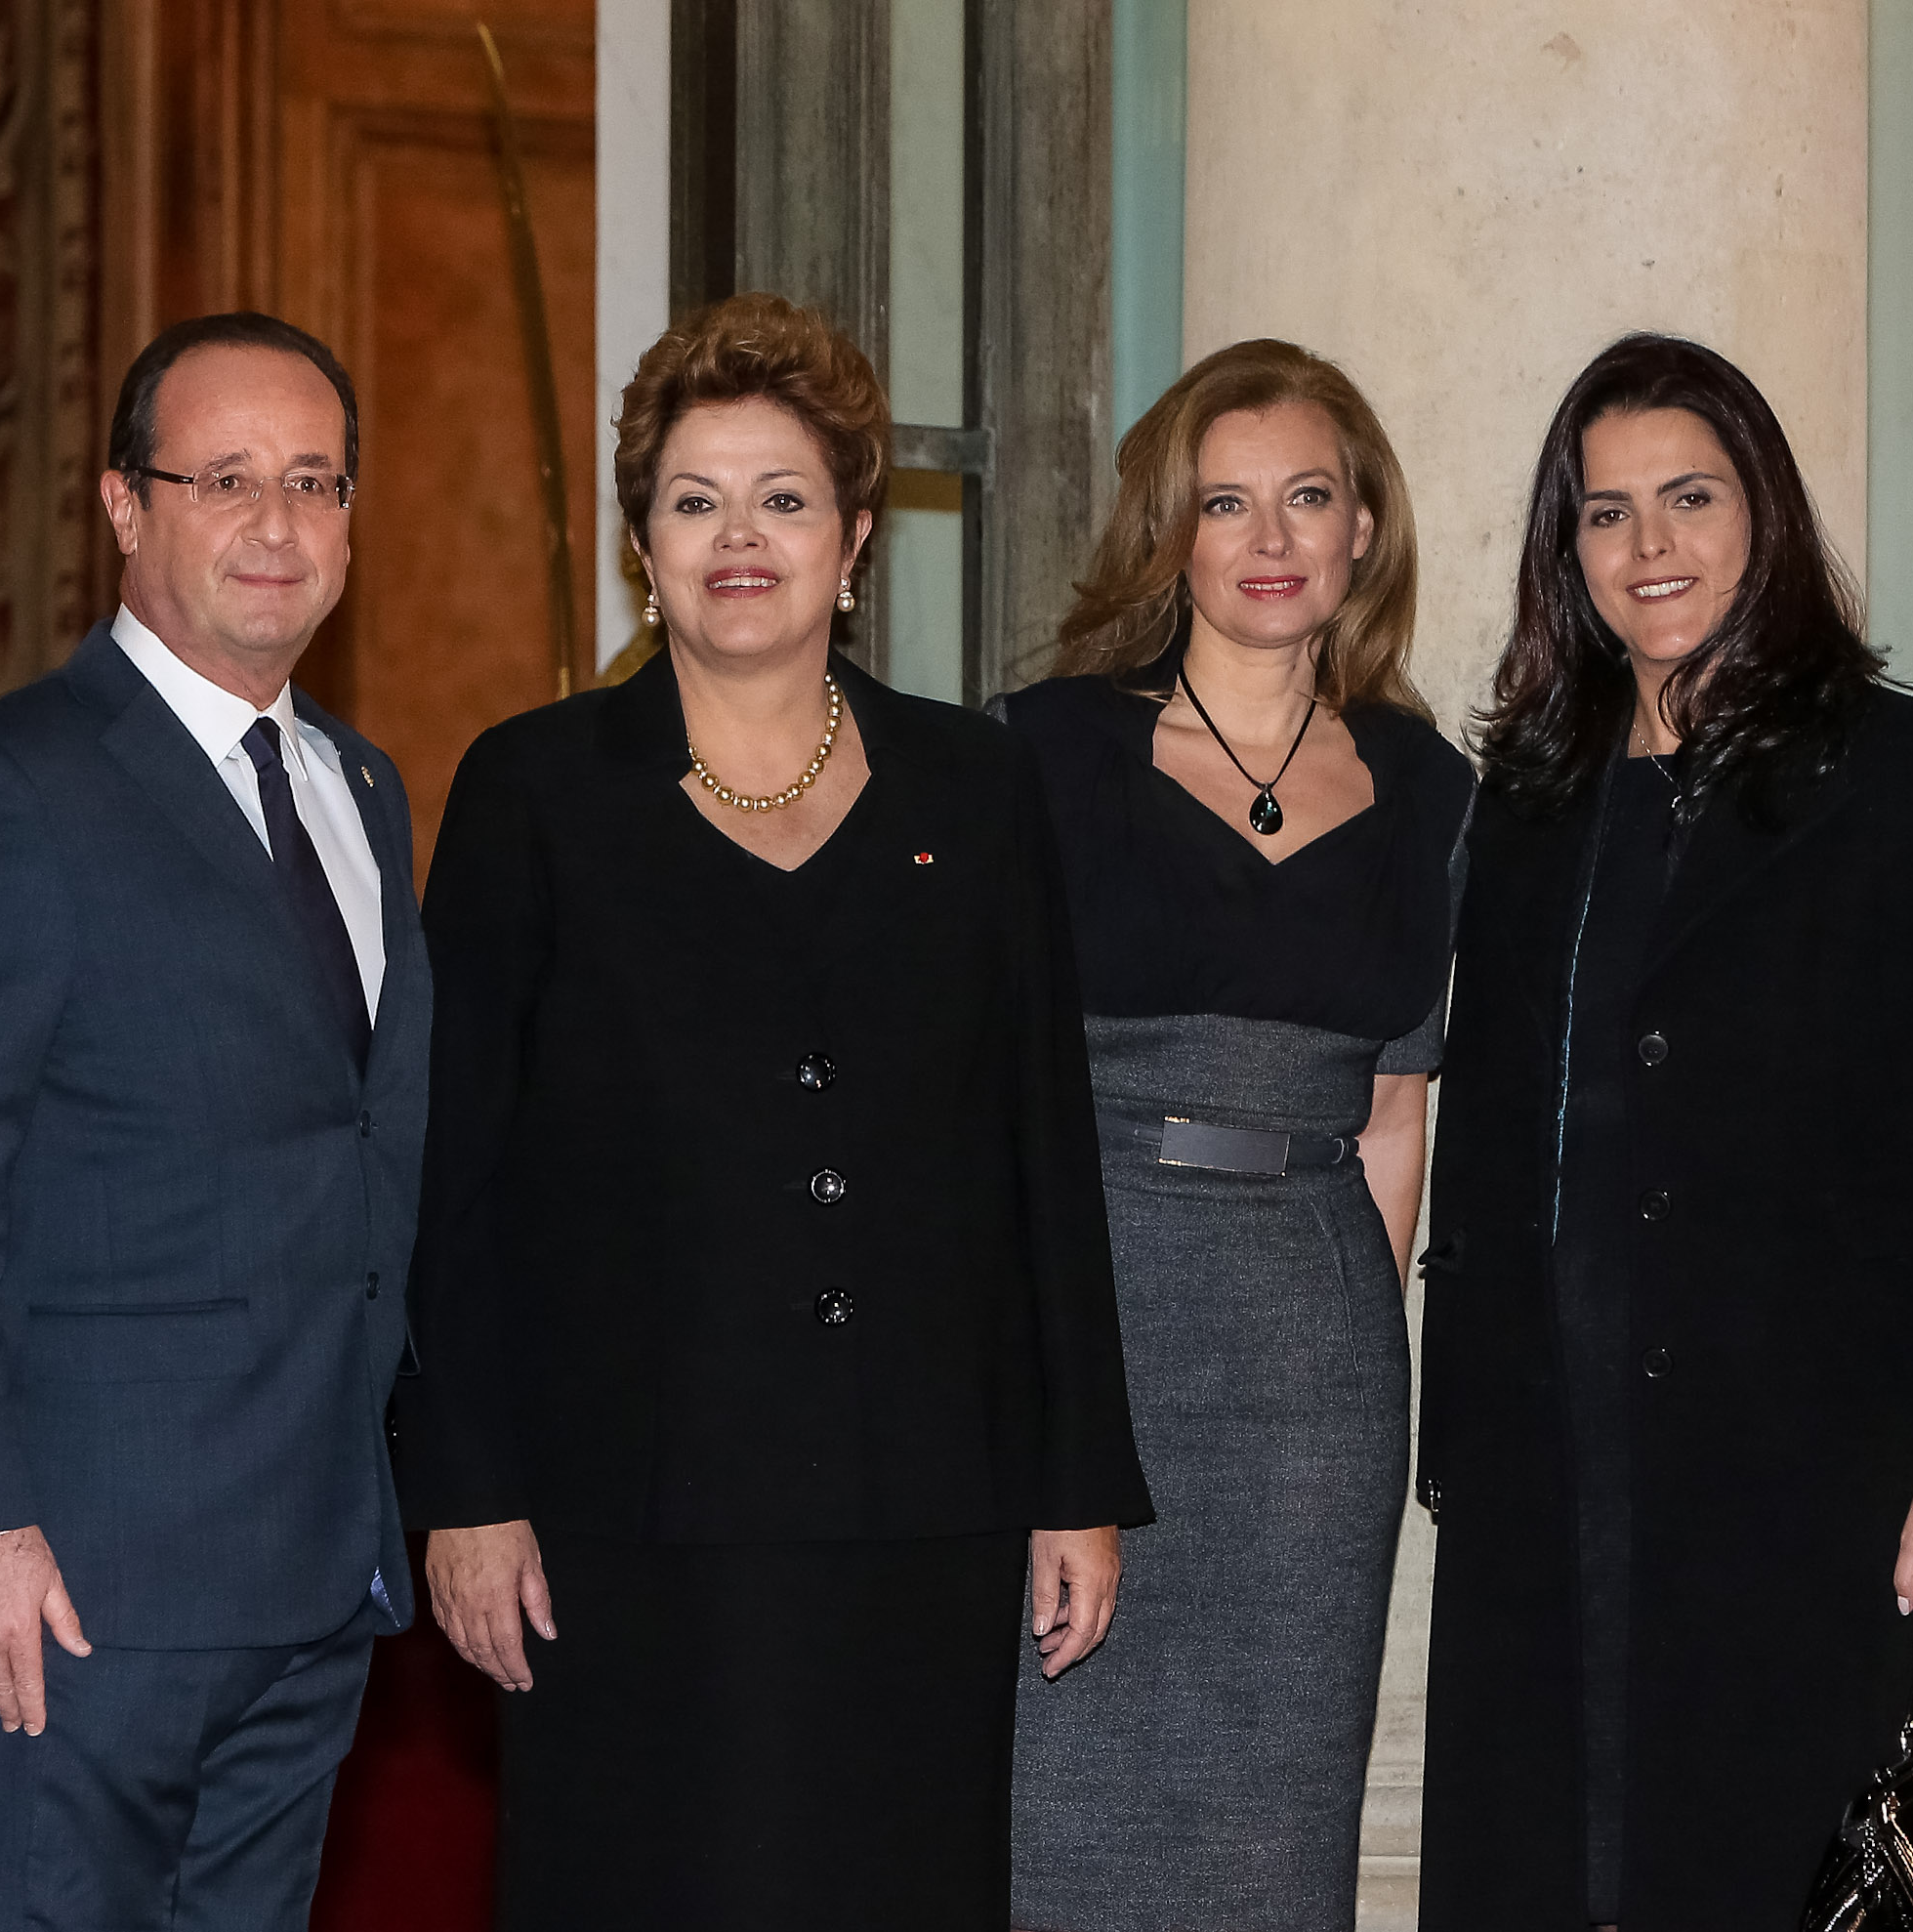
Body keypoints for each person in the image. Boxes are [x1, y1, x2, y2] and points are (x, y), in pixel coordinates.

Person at [399, 290, 1151, 1931]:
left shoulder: (978, 785)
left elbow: (1039, 1142)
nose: (740, 537)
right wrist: (463, 1489)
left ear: (854, 537)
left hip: (922, 1507)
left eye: (783, 498)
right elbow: (448, 1179)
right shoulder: (532, 790)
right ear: (641, 546)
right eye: (694, 500)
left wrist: (1074, 1475)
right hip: (623, 1515)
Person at [1414, 333, 1913, 1929]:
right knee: (1552, 1861)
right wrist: (1464, 1435)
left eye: (1688, 498)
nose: (1653, 549)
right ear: (1566, 551)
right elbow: (1490, 1131)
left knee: (1774, 1865)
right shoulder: (1528, 795)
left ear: (1760, 509)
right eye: (1607, 514)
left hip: (1808, 1459)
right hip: (1550, 1452)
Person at [0, 311, 427, 1928]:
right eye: (223, 477)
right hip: (81, 1579)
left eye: (315, 481)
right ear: (123, 505)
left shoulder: (362, 789)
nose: (276, 525)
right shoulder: (6, 786)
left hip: (315, 1561)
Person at [992, 338, 1465, 1932]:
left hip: (1311, 1376)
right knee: (1051, 1797)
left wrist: (1343, 1341)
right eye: (1225, 503)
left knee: (1276, 1827)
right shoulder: (1042, 752)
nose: (1269, 540)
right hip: (1089, 1320)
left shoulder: (1426, 783)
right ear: (1168, 535)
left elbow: (1395, 1111)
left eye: (1306, 499)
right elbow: (981, 1084)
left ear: (1360, 533)